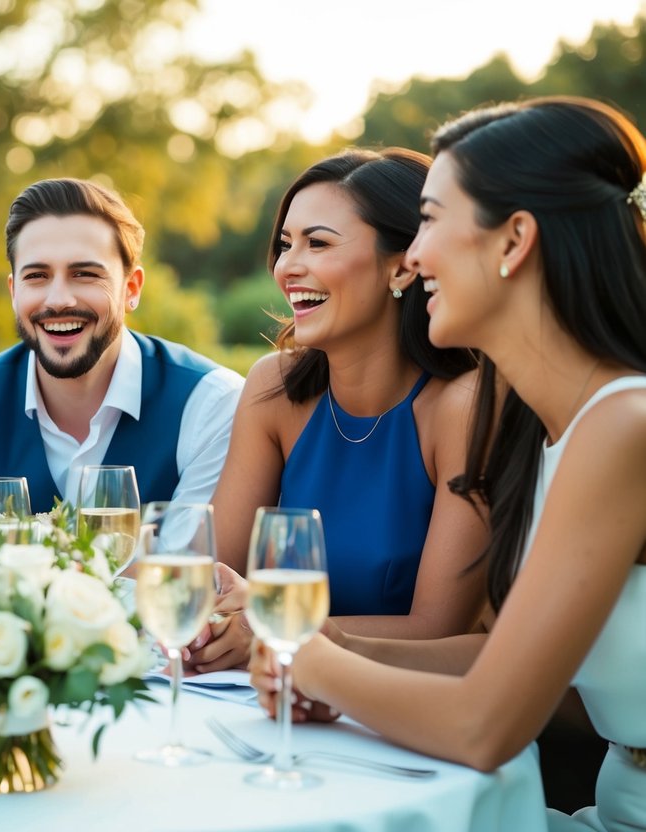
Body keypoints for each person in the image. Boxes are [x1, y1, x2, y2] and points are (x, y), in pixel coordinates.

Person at [251, 96, 646, 830]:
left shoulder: (621, 425)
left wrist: (303, 658)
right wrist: (333, 643)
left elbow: (481, 727)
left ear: (513, 241)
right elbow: (497, 664)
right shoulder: (552, 421)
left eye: (429, 220)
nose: (416, 253)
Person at [189, 149, 487, 673]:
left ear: (402, 264)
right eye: (285, 245)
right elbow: (208, 570)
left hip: (405, 713)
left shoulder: (460, 407)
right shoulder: (273, 387)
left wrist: (268, 623)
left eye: (318, 243)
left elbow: (439, 629)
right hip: (276, 698)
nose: (287, 268)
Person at [0, 177, 245, 587]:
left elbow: (191, 585)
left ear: (131, 287)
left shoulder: (209, 402)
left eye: (84, 274)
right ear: (13, 290)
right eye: (37, 276)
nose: (58, 299)